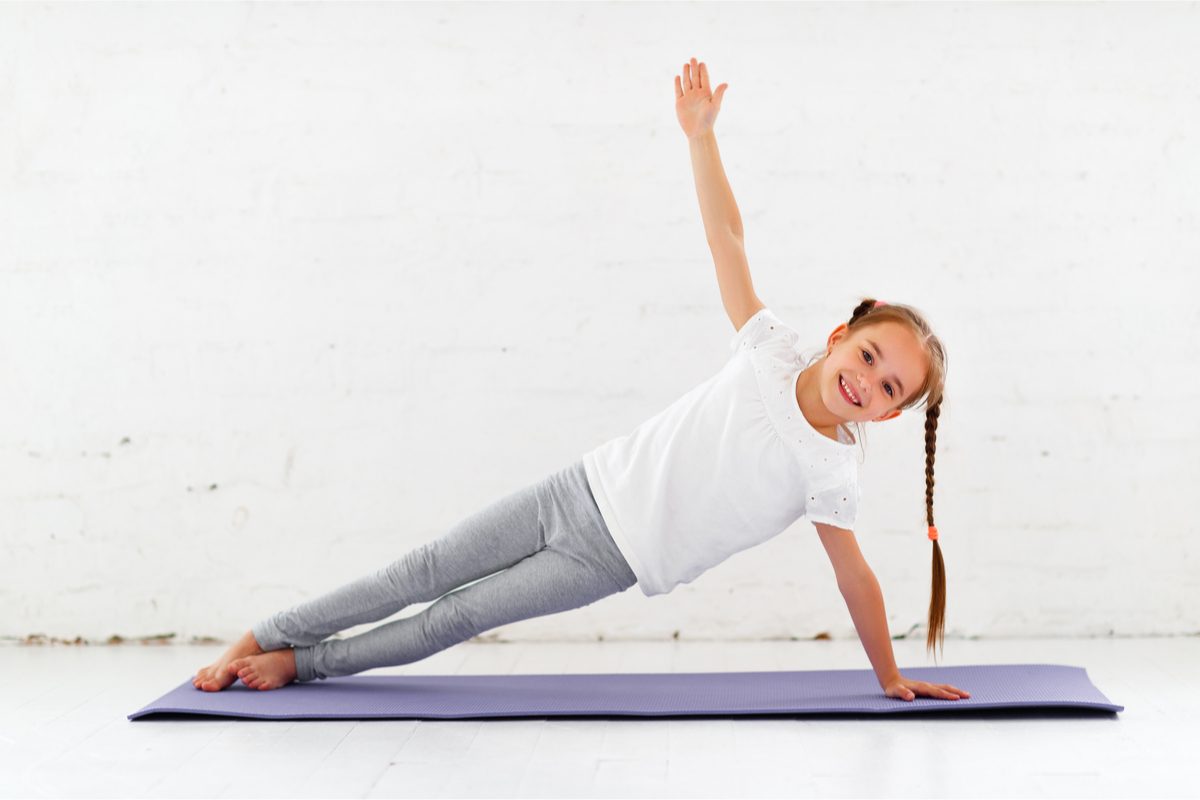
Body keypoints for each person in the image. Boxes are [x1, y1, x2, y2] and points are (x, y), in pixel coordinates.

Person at [193, 56, 969, 704]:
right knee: (423, 570)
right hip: (580, 488)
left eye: (891, 389)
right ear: (841, 337)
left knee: (453, 618)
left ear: (890, 416)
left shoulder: (830, 472)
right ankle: (266, 633)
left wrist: (889, 675)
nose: (870, 382)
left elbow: (855, 577)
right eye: (871, 357)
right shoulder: (770, 349)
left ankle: (302, 663)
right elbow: (726, 238)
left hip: (610, 558)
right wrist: (701, 137)